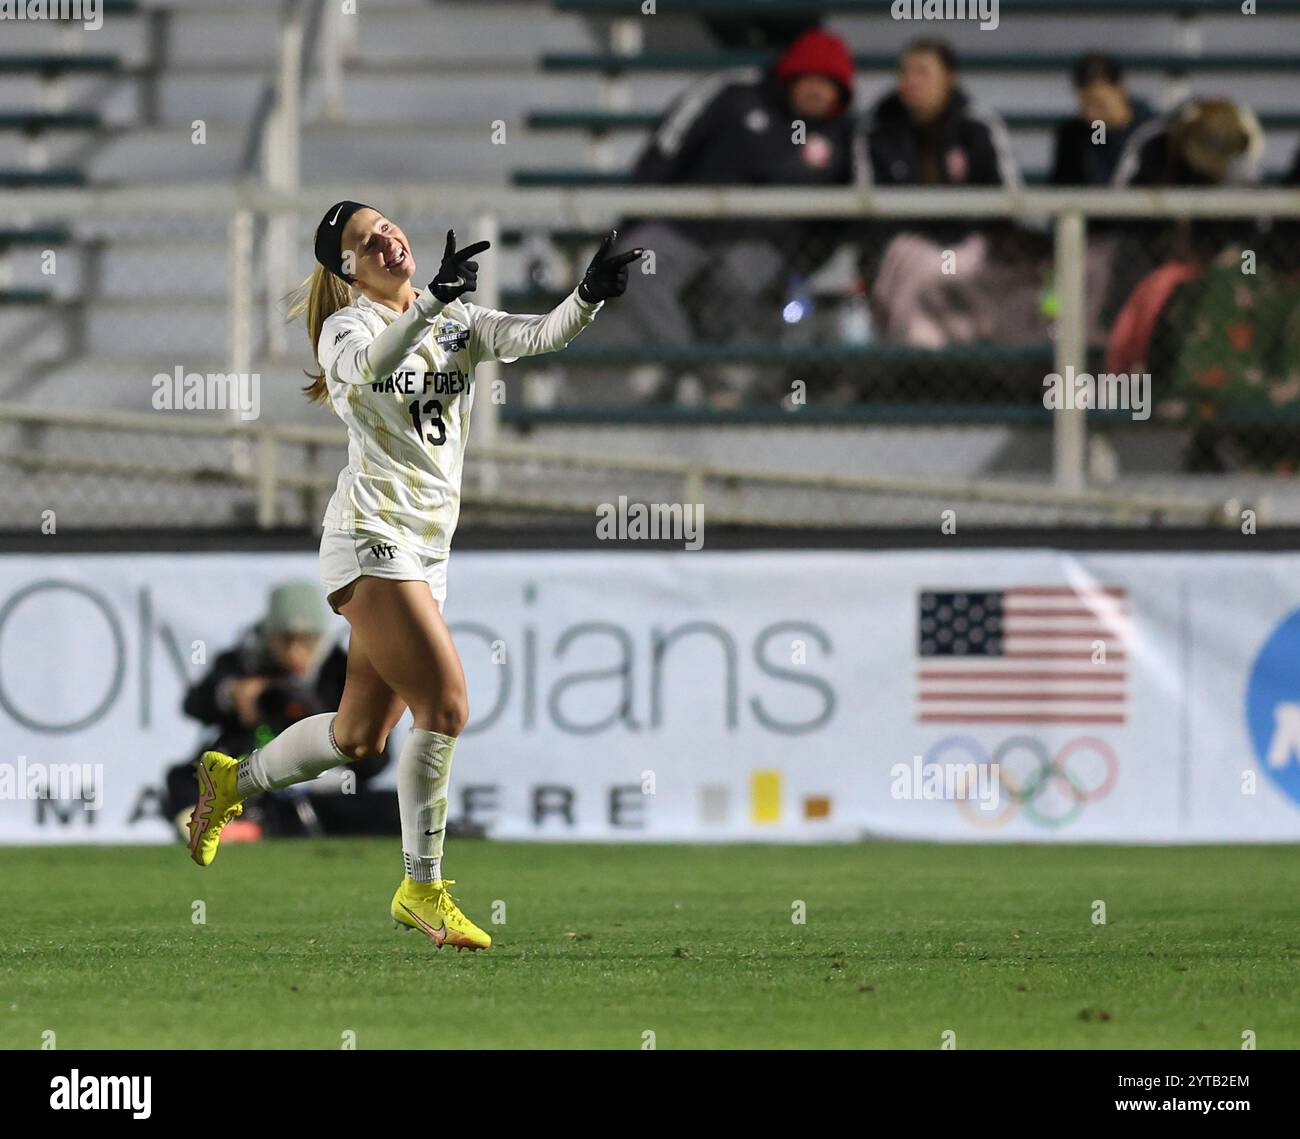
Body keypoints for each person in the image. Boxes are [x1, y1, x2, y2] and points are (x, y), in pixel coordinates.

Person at [183, 201, 640, 952]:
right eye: (365, 240)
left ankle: (230, 782)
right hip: (369, 539)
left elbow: (533, 337)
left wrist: (586, 294)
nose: (385, 237)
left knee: (358, 736)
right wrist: (430, 298)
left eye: (385, 225)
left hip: (425, 553)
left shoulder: (455, 317)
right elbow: (373, 368)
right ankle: (420, 887)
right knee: (448, 704)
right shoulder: (348, 328)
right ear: (348, 270)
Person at [581, 27, 856, 405]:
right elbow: (665, 150)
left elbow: (842, 215)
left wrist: (803, 264)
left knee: (737, 280)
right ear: (791, 74)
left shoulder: (844, 136)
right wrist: (632, 221)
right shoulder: (732, 94)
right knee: (631, 267)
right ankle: (702, 378)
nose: (817, 91)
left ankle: (700, 381)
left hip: (766, 245)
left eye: (829, 85)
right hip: (687, 227)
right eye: (810, 78)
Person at [165, 580, 395, 841]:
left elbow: (378, 759)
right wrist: (233, 693)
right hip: (253, 769)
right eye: (284, 640)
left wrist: (323, 720)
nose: (294, 652)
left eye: (307, 641)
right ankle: (217, 823)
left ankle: (253, 829)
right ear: (268, 636)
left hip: (322, 782)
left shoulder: (345, 672)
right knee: (184, 778)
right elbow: (194, 704)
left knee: (384, 806)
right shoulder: (245, 663)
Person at [854, 39, 1032, 350]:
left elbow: (1009, 200)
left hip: (970, 247)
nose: (911, 82)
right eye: (905, 72)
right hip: (904, 248)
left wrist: (958, 239)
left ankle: (954, 349)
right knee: (917, 264)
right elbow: (868, 207)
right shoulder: (877, 128)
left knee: (943, 266)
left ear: (950, 78)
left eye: (922, 72)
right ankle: (921, 351)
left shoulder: (977, 125)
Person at [1050, 53, 1153, 186]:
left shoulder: (1153, 134)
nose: (1091, 115)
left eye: (1099, 104)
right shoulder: (1076, 136)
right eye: (1086, 105)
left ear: (1121, 90)